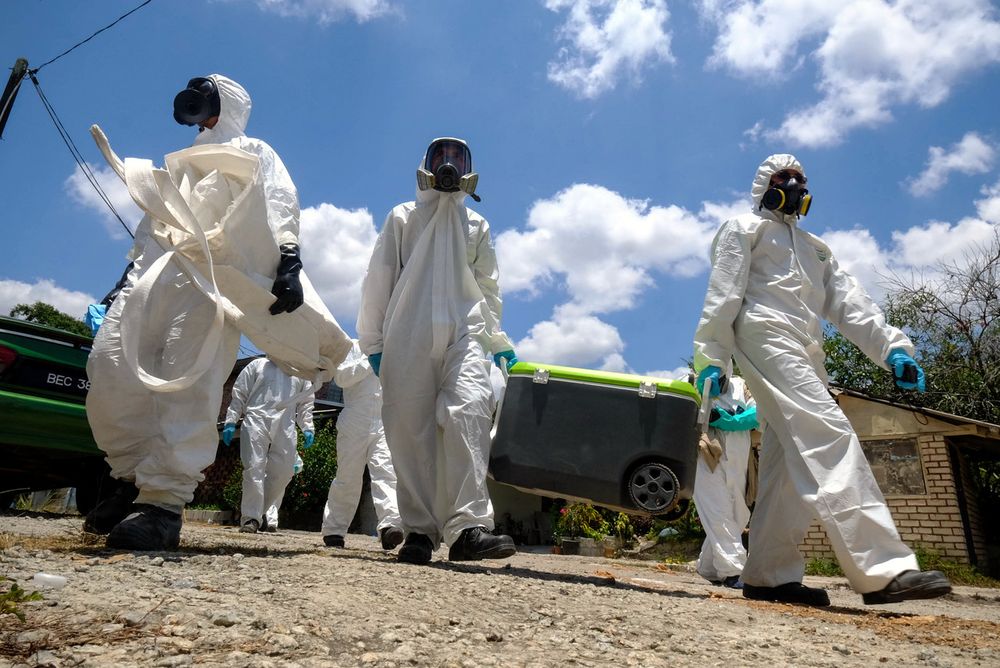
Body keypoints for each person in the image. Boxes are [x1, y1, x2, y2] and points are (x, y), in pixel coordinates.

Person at [693, 154, 951, 606]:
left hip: (807, 349)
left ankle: (768, 575)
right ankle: (883, 569)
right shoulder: (743, 228)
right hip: (762, 333)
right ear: (762, 186)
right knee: (826, 431)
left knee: (787, 464)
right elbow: (723, 291)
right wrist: (711, 355)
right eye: (782, 177)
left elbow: (851, 303)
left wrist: (893, 349)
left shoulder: (817, 249)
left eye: (800, 178)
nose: (793, 183)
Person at [84, 74, 308, 549]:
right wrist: (122, 282)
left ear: (226, 103)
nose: (196, 100)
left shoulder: (255, 151)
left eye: (206, 92)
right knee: (110, 369)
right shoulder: (182, 160)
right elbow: (154, 220)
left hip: (212, 278)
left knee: (188, 384)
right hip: (154, 274)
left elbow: (281, 201)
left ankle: (162, 505)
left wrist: (289, 258)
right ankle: (127, 478)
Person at [357, 137, 518, 565]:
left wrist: (498, 341)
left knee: (468, 414)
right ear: (426, 164)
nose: (448, 163)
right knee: (411, 431)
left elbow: (488, 290)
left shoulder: (476, 226)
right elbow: (380, 278)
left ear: (469, 168)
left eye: (457, 158)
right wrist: (373, 344)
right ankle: (420, 532)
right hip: (406, 334)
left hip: (465, 333)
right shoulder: (403, 218)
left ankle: (468, 529)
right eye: (440, 156)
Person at [320, 340, 403, 550]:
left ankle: (389, 526)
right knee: (348, 477)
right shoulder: (351, 346)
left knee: (386, 472)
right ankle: (334, 531)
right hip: (355, 418)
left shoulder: (396, 349)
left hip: (384, 420)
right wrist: (370, 361)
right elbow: (341, 378)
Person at [222, 356, 315, 533]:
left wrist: (308, 427)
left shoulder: (301, 373)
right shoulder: (257, 365)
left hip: (285, 424)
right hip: (256, 419)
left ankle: (258, 512)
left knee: (285, 471)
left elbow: (306, 403)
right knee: (253, 468)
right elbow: (239, 393)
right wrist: (230, 420)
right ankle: (251, 519)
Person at [693, 371, 757, 589]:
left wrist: (731, 420)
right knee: (718, 513)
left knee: (738, 516)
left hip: (738, 460)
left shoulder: (741, 384)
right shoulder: (693, 382)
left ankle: (708, 567)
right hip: (707, 457)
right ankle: (734, 571)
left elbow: (759, 413)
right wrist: (702, 391)